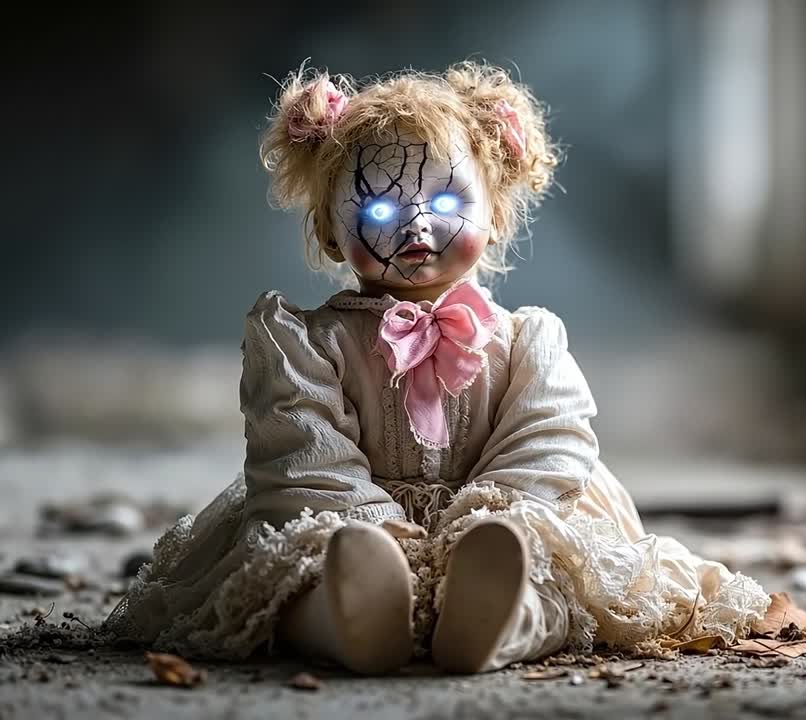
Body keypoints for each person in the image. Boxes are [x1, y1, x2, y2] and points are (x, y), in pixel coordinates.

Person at [104, 61, 769, 674]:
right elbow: (301, 455)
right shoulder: (306, 343)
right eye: (379, 208)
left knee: (557, 573)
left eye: (448, 204)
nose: (416, 223)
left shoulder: (526, 341)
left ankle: (496, 612)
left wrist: (490, 519)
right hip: (347, 522)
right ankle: (352, 613)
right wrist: (369, 531)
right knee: (290, 577)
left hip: (503, 516)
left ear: (497, 213)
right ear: (332, 231)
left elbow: (551, 440)